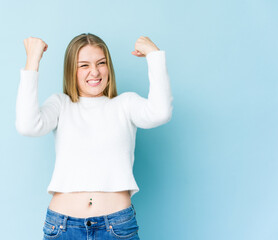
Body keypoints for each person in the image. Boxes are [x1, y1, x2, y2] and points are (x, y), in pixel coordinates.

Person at [15, 33, 173, 239]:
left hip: (116, 227)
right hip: (62, 228)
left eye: (101, 63)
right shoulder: (61, 105)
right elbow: (28, 126)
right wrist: (32, 61)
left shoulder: (125, 104)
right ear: (71, 70)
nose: (95, 72)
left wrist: (154, 55)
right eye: (84, 65)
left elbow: (160, 112)